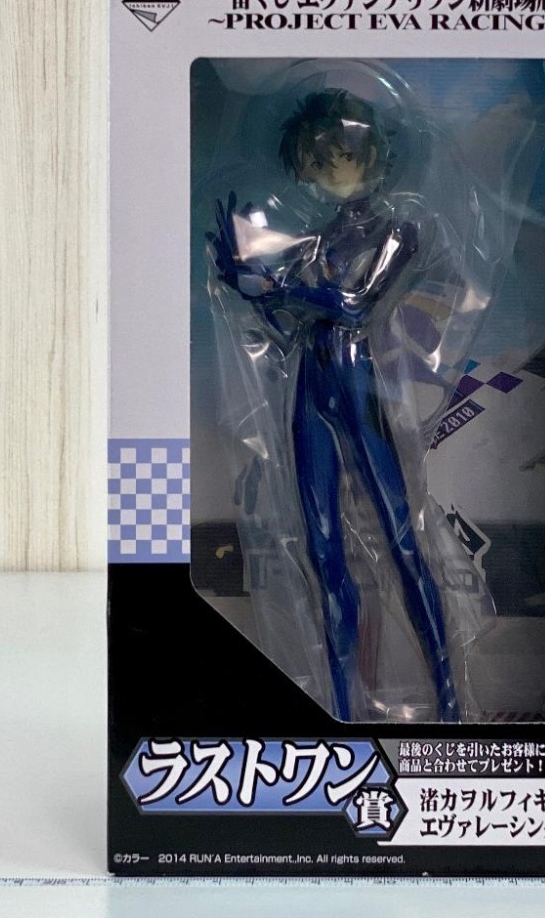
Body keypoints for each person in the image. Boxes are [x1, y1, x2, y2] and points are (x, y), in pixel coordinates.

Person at [209, 89, 460, 722]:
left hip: (357, 382)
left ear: (371, 155)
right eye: (316, 164)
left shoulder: (398, 230)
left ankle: (450, 701)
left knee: (402, 541)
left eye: (338, 157)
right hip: (309, 385)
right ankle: (341, 706)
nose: (328, 173)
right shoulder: (315, 241)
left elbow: (354, 306)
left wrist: (277, 285)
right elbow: (290, 322)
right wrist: (246, 285)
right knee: (323, 552)